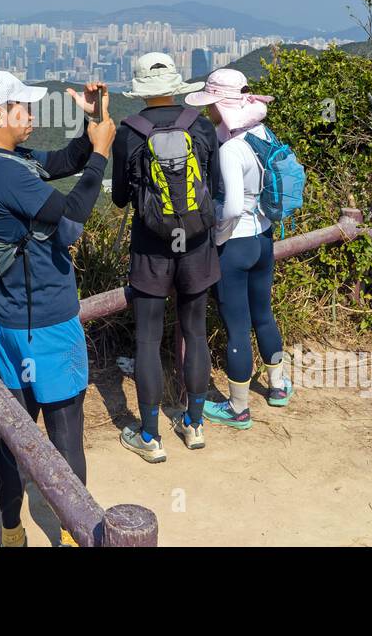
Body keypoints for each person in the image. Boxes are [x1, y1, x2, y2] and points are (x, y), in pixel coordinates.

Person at [0, 70, 115, 546]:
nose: (31, 115)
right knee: (65, 431)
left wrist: (93, 123)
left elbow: (67, 158)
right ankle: (77, 534)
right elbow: (73, 213)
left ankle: (11, 533)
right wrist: (104, 154)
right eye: (22, 108)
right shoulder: (6, 173)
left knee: (16, 432)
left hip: (12, 320)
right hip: (45, 321)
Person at [111, 52, 220, 462]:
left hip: (151, 248)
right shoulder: (202, 126)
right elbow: (216, 187)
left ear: (141, 91)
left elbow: (121, 198)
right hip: (196, 244)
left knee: (147, 340)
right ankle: (194, 425)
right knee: (195, 333)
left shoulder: (130, 133)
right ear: (175, 86)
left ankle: (150, 435)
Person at [185, 68, 292, 430]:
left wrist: (217, 236)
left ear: (220, 103)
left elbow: (230, 206)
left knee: (237, 326)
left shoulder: (231, 148)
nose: (208, 111)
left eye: (211, 103)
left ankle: (238, 408)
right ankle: (278, 386)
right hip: (264, 237)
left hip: (236, 243)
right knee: (263, 313)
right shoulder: (262, 132)